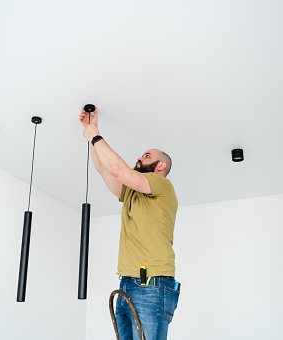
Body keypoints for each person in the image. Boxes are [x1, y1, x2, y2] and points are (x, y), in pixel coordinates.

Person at [79, 107, 180, 340]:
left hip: (152, 285)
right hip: (128, 283)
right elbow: (104, 170)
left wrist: (96, 135)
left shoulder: (162, 185)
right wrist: (89, 131)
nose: (139, 157)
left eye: (146, 156)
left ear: (160, 165)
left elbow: (119, 169)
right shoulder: (133, 193)